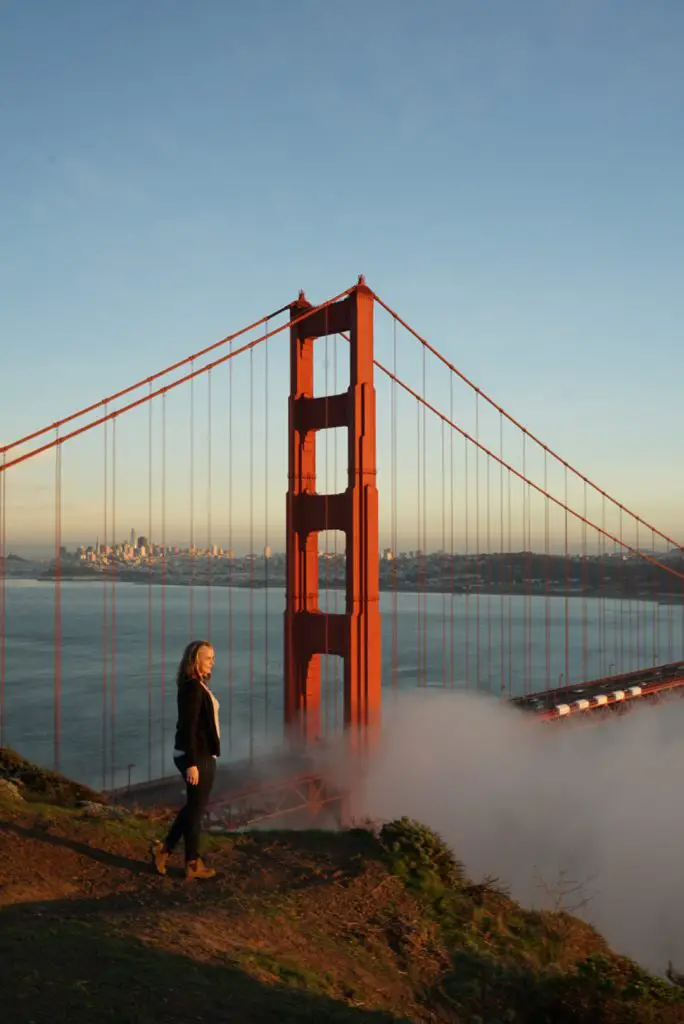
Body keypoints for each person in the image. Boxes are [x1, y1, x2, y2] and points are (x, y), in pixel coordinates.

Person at [150, 639, 220, 880]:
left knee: (193, 807)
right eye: (208, 658)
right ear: (195, 661)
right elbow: (188, 728)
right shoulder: (192, 688)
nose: (213, 662)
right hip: (195, 756)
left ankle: (165, 849)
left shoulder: (197, 685)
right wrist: (191, 763)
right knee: (196, 809)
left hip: (202, 754)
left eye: (212, 658)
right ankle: (192, 861)